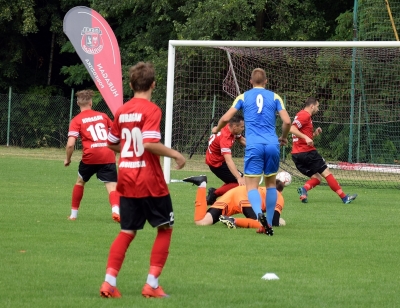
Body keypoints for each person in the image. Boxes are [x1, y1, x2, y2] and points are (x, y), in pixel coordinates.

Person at [99, 62, 186, 299]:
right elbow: (148, 143)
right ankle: (152, 284)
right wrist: (176, 154)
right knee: (165, 228)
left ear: (130, 84)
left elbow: (111, 142)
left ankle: (109, 282)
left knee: (127, 231)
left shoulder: (122, 110)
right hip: (149, 179)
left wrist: (127, 148)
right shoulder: (152, 110)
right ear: (153, 85)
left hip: (125, 176)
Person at [211, 68, 291, 236]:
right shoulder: (275, 97)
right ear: (266, 81)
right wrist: (283, 137)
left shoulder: (243, 97)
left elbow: (226, 118)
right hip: (271, 145)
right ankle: (268, 222)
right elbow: (287, 121)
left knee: (251, 187)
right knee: (270, 185)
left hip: (254, 145)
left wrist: (216, 129)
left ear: (250, 81)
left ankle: (258, 216)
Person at [64, 89, 120, 222]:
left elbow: (71, 144)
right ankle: (116, 211)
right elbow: (115, 135)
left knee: (80, 182)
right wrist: (115, 151)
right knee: (112, 187)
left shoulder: (76, 120)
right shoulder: (103, 116)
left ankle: (73, 215)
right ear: (91, 102)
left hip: (90, 157)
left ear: (78, 103)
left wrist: (68, 159)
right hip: (107, 154)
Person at [290, 97, 358, 204]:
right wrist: (307, 138)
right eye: (317, 106)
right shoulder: (305, 115)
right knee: (327, 173)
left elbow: (301, 137)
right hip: (307, 152)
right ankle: (345, 198)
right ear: (312, 106)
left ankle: (304, 190)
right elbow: (292, 129)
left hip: (297, 155)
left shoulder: (301, 115)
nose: (318, 108)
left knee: (317, 178)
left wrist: (313, 135)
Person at [183, 175, 286, 231]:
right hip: (246, 195)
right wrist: (281, 222)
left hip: (234, 192)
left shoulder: (263, 189)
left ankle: (202, 184)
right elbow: (274, 222)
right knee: (260, 223)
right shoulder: (278, 195)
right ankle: (232, 220)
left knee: (202, 222)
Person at [204, 115, 246, 205]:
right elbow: (229, 160)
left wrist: (258, 148)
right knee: (241, 182)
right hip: (216, 164)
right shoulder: (225, 138)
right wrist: (239, 178)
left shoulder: (230, 128)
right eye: (242, 127)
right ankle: (214, 194)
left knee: (238, 182)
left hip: (217, 160)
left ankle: (216, 194)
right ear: (235, 127)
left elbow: (241, 140)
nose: (243, 129)